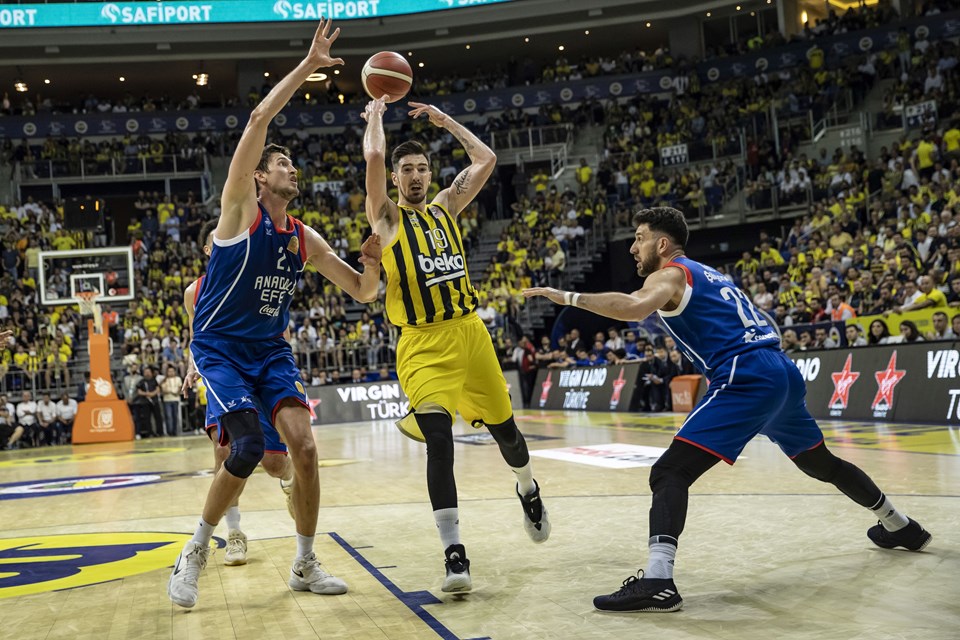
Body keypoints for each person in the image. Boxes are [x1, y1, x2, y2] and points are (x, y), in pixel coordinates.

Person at [524, 207, 931, 613]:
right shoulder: (713, 275)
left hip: (746, 375)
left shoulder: (669, 273)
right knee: (820, 463)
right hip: (780, 370)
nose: (633, 247)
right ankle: (900, 525)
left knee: (669, 471)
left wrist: (567, 298)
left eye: (639, 236)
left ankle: (659, 580)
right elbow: (760, 319)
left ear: (662, 244)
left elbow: (633, 307)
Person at [168, 19, 383, 609]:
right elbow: (260, 120)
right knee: (242, 450)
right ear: (259, 175)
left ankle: (305, 562)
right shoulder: (239, 212)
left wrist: (376, 259)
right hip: (219, 349)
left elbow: (363, 293)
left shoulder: (305, 238)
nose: (291, 169)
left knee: (303, 451)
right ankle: (195, 550)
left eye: (291, 165)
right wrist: (307, 65)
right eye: (280, 164)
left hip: (269, 352)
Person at [362, 94, 550, 592]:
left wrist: (444, 121)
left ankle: (528, 489)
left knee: (507, 433)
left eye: (423, 167)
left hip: (470, 335)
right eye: (408, 170)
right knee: (440, 443)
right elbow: (374, 159)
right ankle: (454, 553)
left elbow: (486, 159)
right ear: (398, 179)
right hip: (422, 345)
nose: (417, 176)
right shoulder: (387, 219)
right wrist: (377, 117)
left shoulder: (447, 206)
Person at [181, 220, 297, 567]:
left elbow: (278, 328)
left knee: (274, 463)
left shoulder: (253, 273)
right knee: (226, 454)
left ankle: (291, 475)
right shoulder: (195, 292)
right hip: (223, 374)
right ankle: (235, 534)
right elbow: (198, 336)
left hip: (260, 371)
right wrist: (191, 368)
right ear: (208, 250)